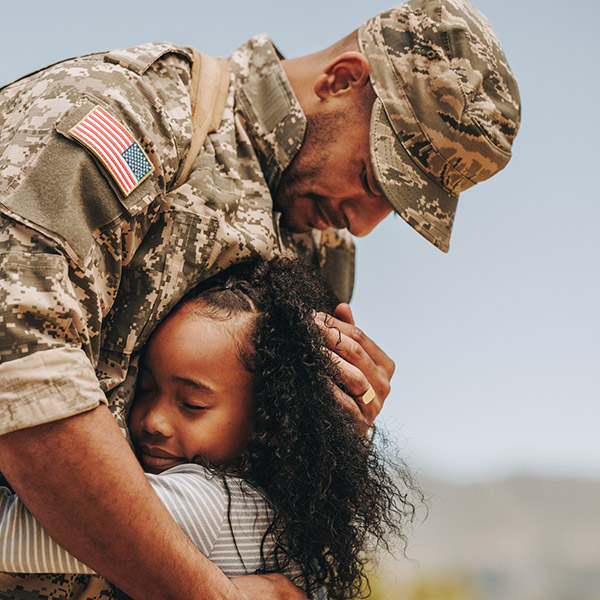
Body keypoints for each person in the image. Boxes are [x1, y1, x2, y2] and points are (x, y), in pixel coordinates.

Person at [0, 0, 520, 598]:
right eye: (375, 178)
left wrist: (335, 431)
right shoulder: (137, 115)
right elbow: (21, 369)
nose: (365, 224)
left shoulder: (321, 250)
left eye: (396, 207)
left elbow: (260, 497)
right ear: (343, 79)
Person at [0, 258, 420, 600]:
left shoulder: (204, 505)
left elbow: (10, 537)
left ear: (269, 421)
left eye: (192, 404)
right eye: (145, 389)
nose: (153, 420)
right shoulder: (279, 507)